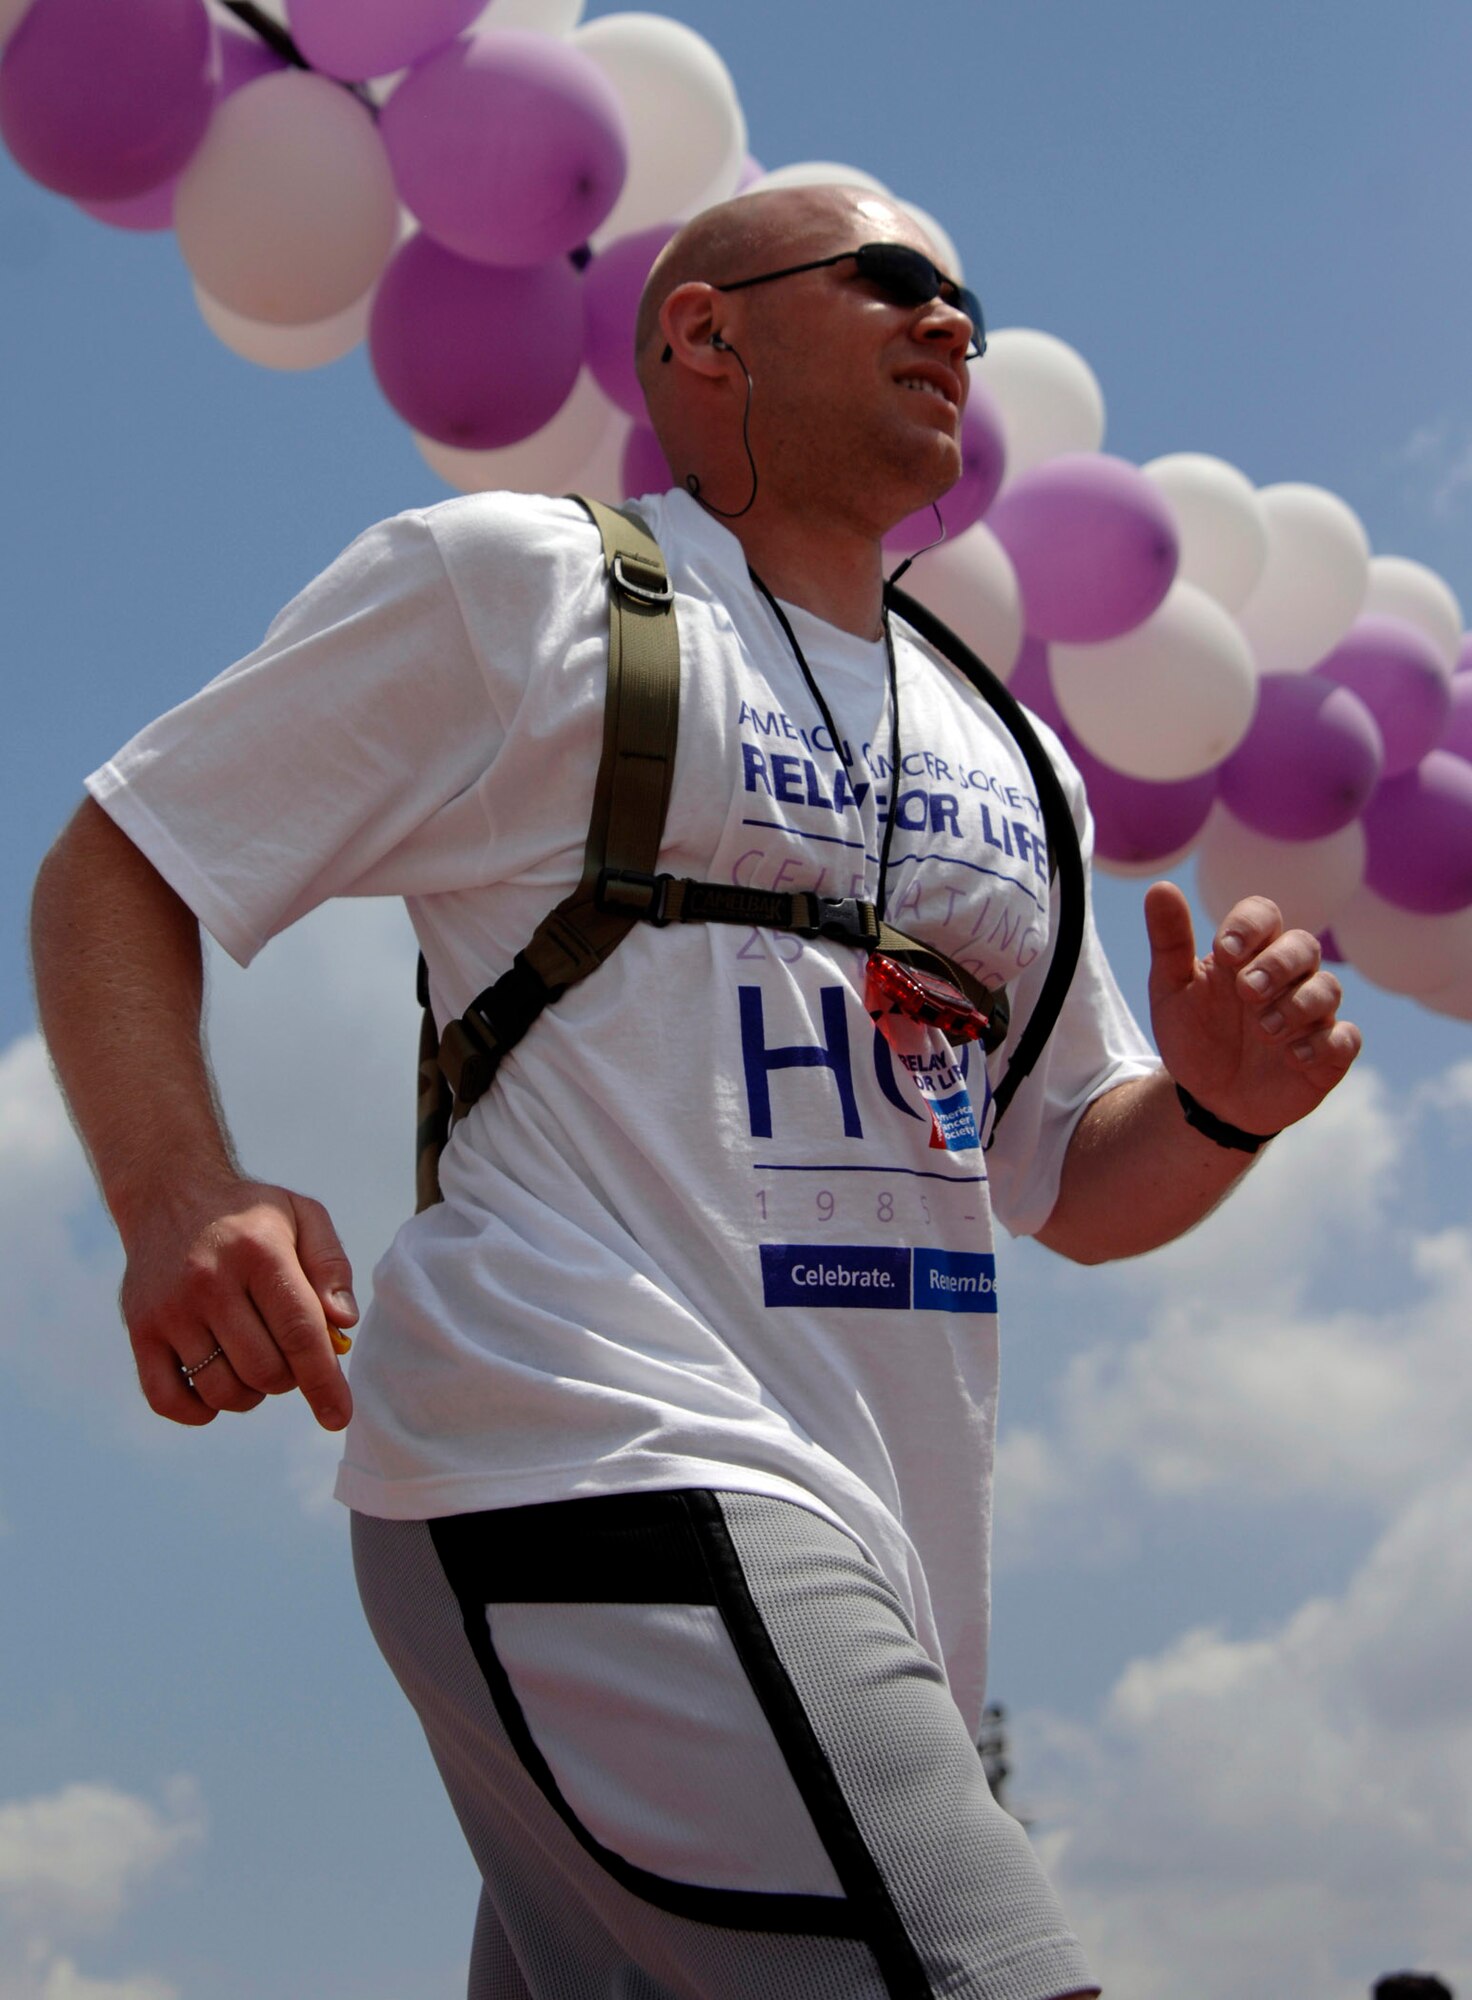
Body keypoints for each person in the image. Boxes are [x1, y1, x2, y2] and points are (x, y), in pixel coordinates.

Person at [30, 183, 1361, 1999]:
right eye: (893, 285)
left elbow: (1071, 1184)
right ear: (706, 337)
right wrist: (179, 1192)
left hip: (879, 1560)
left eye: (970, 302)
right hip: (593, 1454)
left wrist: (1219, 1109)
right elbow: (129, 854)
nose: (954, 329)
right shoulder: (515, 586)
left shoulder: (1021, 752)